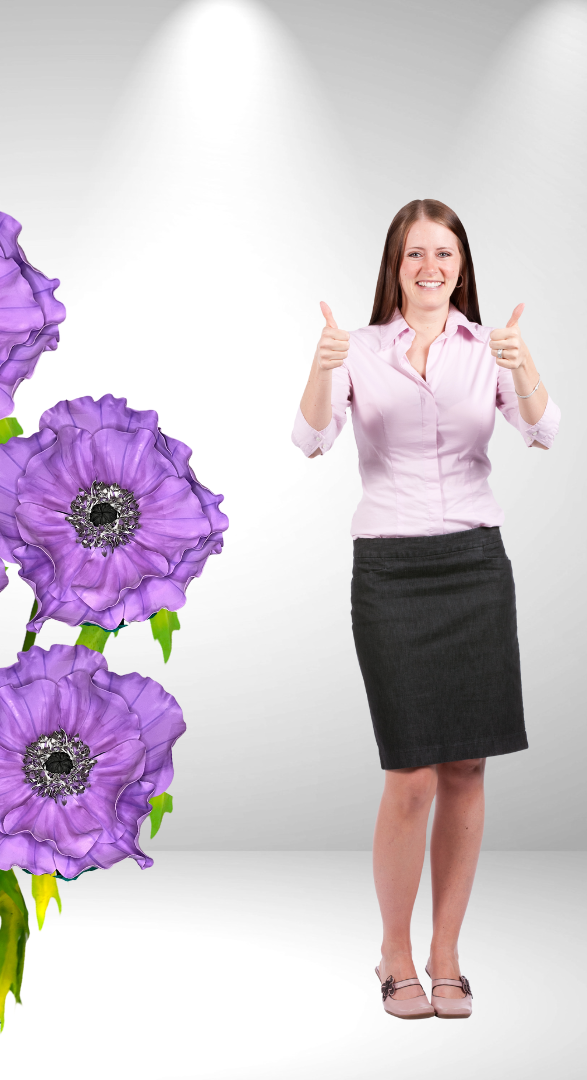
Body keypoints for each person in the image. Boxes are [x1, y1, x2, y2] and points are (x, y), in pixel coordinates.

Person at [292, 199, 559, 1020]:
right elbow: (307, 442)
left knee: (467, 768)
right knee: (410, 774)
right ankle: (394, 953)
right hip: (391, 570)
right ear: (396, 267)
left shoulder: (489, 348)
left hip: (476, 565)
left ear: (462, 266)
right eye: (416, 254)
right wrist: (320, 361)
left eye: (445, 253)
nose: (431, 267)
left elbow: (547, 431)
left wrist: (523, 363)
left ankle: (447, 954)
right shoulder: (360, 350)